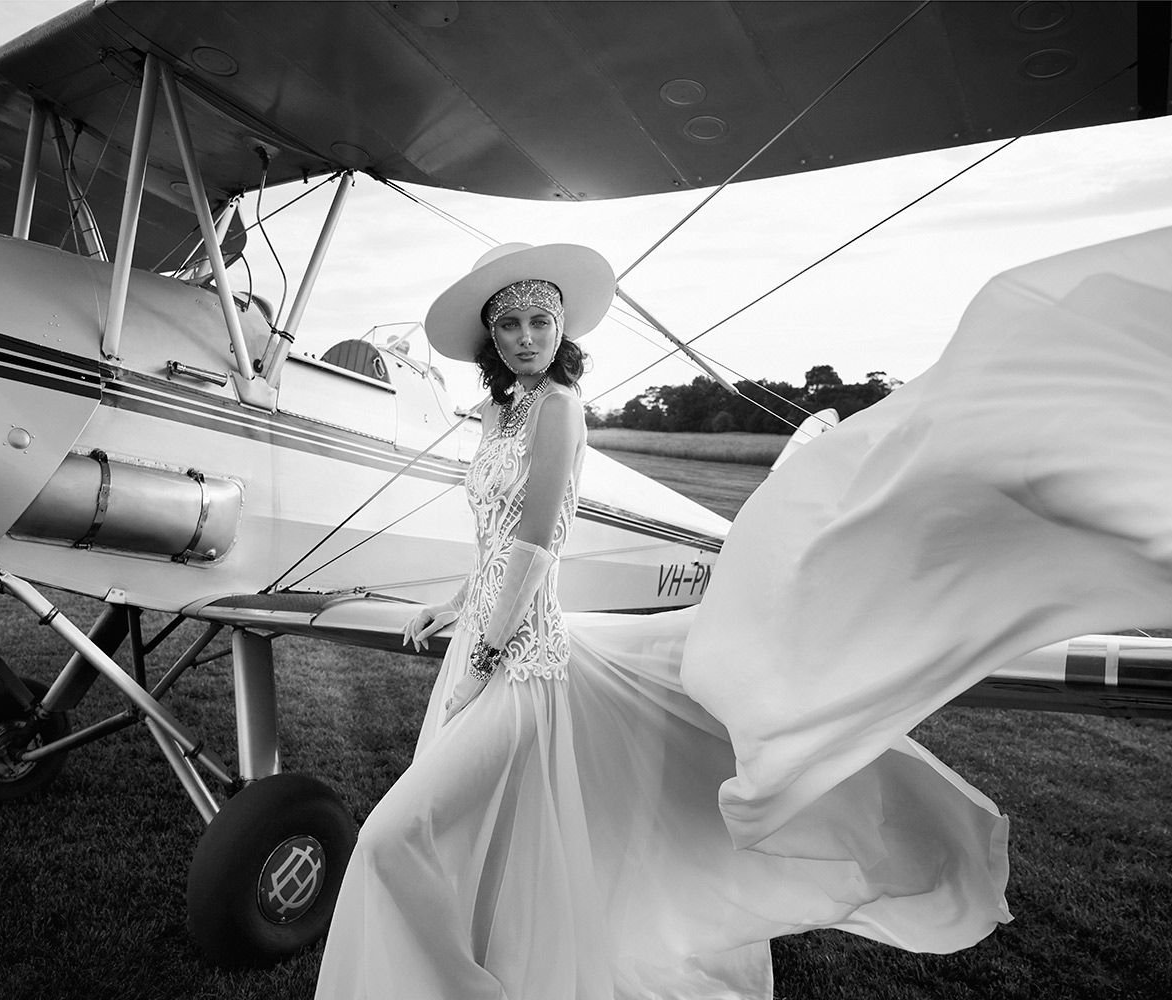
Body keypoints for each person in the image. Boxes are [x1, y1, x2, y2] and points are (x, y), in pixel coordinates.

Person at [314, 242, 1012, 1000]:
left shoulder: (559, 408)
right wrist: (454, 606)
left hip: (521, 667)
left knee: (389, 839)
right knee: (480, 852)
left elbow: (536, 546)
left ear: (562, 328)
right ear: (490, 335)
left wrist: (482, 661)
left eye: (540, 320)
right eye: (508, 323)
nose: (525, 337)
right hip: (481, 647)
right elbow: (494, 536)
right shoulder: (496, 411)